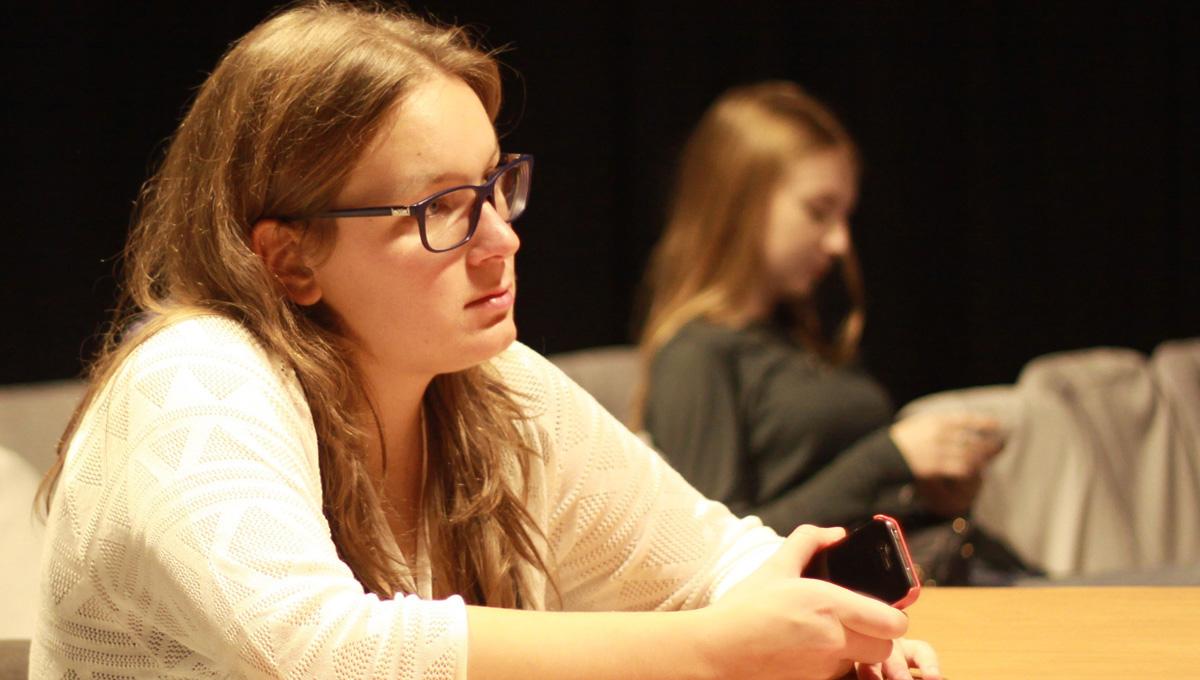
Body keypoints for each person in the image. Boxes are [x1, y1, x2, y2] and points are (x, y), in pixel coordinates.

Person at [30, 5, 939, 679]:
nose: (501, 239)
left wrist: (819, 626)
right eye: (442, 208)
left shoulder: (493, 384)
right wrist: (713, 650)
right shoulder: (193, 380)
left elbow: (709, 563)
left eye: (496, 186)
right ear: (289, 258)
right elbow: (321, 650)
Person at [637, 81, 1005, 544]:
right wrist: (889, 457)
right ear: (741, 204)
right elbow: (719, 547)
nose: (839, 243)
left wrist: (929, 497)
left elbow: (843, 500)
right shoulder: (697, 355)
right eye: (818, 211)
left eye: (844, 216)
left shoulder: (799, 336)